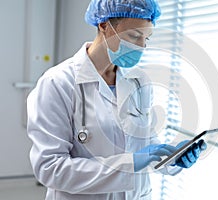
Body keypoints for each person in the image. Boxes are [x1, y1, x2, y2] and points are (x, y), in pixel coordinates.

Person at [27, 0, 207, 199]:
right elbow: (51, 168)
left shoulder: (139, 81)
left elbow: (143, 143)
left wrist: (170, 157)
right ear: (104, 25)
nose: (141, 47)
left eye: (146, 38)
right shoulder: (57, 83)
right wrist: (129, 164)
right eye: (134, 36)